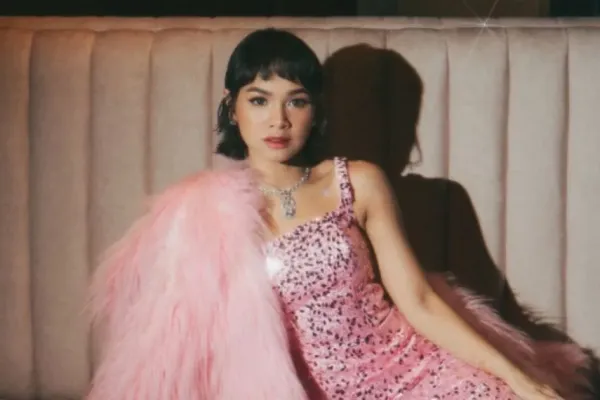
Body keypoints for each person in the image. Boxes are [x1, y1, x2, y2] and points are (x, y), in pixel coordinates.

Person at [86, 28, 592, 400]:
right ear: (232, 108)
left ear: (316, 110)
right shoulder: (202, 214)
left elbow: (417, 299)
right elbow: (186, 350)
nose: (278, 120)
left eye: (296, 101)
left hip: (414, 369)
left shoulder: (358, 180)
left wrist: (516, 378)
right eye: (259, 100)